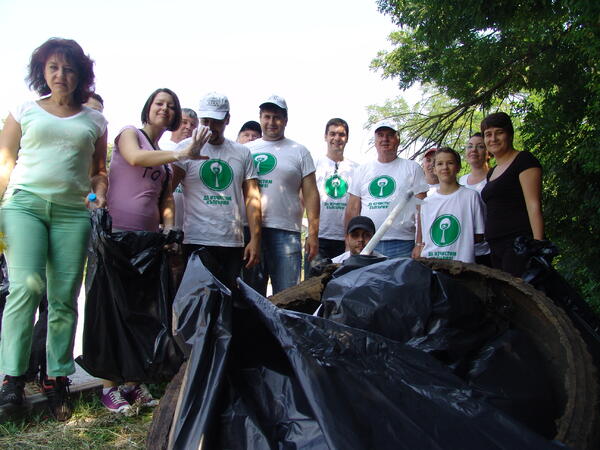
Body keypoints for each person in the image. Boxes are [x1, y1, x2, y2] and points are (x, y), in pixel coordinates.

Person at [0, 38, 108, 421]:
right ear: (42, 71)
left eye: (69, 68)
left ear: (80, 75)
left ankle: (56, 376)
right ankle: (12, 379)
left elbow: (99, 172)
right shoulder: (24, 110)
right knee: (24, 289)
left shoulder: (95, 120)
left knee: (63, 298)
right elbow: (6, 162)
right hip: (23, 207)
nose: (61, 75)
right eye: (53, 67)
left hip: (71, 214)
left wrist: (98, 193)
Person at [101, 88, 210, 414]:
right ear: (147, 108)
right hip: (117, 235)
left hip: (148, 243)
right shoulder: (129, 134)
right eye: (159, 103)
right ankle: (109, 386)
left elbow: (164, 198)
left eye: (171, 106)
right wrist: (182, 154)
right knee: (114, 311)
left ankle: (134, 382)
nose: (165, 109)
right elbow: (135, 158)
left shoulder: (163, 159)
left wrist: (170, 228)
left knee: (141, 313)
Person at [172, 93, 261, 290]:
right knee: (196, 304)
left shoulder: (242, 152)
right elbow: (167, 190)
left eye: (217, 121)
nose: (211, 127)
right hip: (196, 239)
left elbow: (252, 198)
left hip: (231, 241)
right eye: (206, 121)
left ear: (227, 119)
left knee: (227, 302)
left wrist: (255, 239)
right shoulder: (184, 148)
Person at [242, 95, 319, 295]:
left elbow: (311, 194)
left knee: (287, 298)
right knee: (249, 298)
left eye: (277, 117)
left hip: (286, 233)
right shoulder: (245, 150)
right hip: (249, 232)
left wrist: (313, 233)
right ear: (260, 118)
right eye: (267, 117)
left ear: (285, 120)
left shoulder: (299, 151)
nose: (271, 122)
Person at [345, 120, 427, 258]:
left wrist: (419, 244)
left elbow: (422, 211)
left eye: (390, 135)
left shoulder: (413, 168)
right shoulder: (361, 170)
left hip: (403, 243)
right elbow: (352, 209)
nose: (385, 139)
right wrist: (349, 245)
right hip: (367, 244)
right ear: (375, 140)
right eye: (380, 135)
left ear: (398, 139)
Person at [480, 112, 544, 275]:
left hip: (518, 243)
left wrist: (538, 245)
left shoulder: (524, 160)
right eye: (488, 134)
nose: (493, 139)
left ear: (509, 134)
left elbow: (533, 204)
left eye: (499, 132)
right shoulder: (491, 172)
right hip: (495, 246)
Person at [413, 148, 485, 263]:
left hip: (462, 266)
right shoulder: (426, 202)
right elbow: (426, 237)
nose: (445, 167)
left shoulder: (471, 197)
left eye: (450, 163)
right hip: (432, 263)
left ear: (458, 167)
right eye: (440, 164)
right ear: (434, 169)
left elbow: (479, 236)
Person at [313, 118, 358, 265]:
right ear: (325, 136)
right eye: (332, 134)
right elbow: (303, 199)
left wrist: (349, 240)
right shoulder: (314, 164)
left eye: (341, 134)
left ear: (347, 138)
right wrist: (310, 236)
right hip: (319, 237)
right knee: (314, 284)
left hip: (346, 239)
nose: (337, 138)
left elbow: (357, 207)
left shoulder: (356, 169)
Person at [459, 133, 492, 265]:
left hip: (490, 248)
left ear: (488, 153)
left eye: (480, 146)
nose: (473, 150)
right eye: (470, 146)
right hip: (465, 248)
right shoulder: (461, 180)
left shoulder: (495, 177)